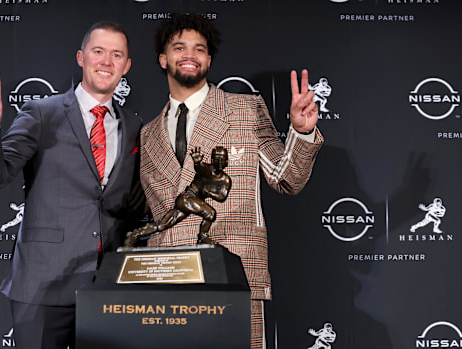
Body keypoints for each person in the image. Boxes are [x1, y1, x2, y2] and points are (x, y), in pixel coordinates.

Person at [139, 13, 324, 348]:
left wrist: (301, 131)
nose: (190, 54)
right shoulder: (148, 133)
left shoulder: (245, 109)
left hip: (234, 277)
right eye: (179, 47)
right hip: (166, 284)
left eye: (199, 48)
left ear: (209, 59)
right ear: (163, 59)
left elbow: (287, 179)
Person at [0, 21, 142, 349]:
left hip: (108, 288)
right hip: (42, 285)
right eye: (98, 52)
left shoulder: (134, 124)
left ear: (127, 65)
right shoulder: (41, 112)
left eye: (116, 54)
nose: (107, 61)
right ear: (81, 57)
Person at [125, 146, 231, 246]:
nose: (219, 162)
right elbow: (200, 168)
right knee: (210, 213)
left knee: (163, 225)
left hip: (191, 202)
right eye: (217, 159)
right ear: (212, 160)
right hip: (187, 198)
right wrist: (197, 162)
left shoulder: (225, 180)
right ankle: (202, 237)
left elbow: (222, 196)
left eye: (222, 159)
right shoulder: (206, 170)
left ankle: (135, 235)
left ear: (227, 161)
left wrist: (209, 192)